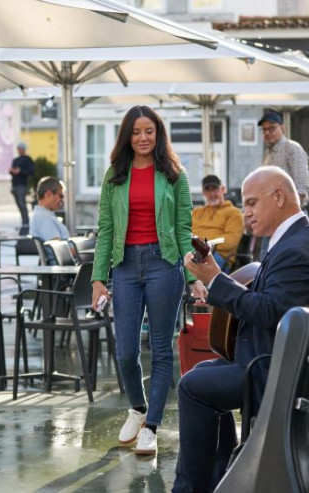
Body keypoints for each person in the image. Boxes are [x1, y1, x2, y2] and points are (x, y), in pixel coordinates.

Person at [173, 166, 309, 492]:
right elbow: (273, 308)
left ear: (278, 197)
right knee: (200, 375)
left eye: (251, 203)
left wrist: (215, 280)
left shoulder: (296, 249)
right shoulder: (298, 237)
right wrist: (217, 279)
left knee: (193, 387)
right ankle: (219, 479)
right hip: (279, 362)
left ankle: (191, 488)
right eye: (244, 204)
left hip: (285, 376)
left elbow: (269, 311)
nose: (246, 212)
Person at [91, 105, 206, 457]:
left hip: (164, 264)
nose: (143, 138)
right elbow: (105, 229)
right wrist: (99, 278)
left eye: (149, 131)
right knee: (125, 351)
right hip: (125, 266)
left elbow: (184, 230)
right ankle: (138, 408)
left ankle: (152, 426)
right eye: (136, 132)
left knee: (160, 349)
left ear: (159, 134)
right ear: (127, 136)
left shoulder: (174, 175)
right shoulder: (115, 175)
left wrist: (193, 276)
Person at [192, 174, 244, 270]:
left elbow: (230, 241)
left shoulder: (234, 213)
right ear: (203, 192)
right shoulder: (196, 212)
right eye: (208, 190)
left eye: (215, 189)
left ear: (223, 189)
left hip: (217, 257)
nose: (212, 194)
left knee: (187, 264)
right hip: (193, 252)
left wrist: (203, 243)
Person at [259, 110, 309, 207]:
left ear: (282, 128)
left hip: (290, 210)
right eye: (264, 130)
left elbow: (301, 188)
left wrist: (290, 210)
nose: (267, 132)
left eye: (272, 128)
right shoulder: (267, 153)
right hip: (273, 210)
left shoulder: (293, 149)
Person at [29, 176, 70, 264]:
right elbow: (59, 249)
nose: (62, 200)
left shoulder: (45, 215)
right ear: (48, 194)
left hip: (65, 264)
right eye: (60, 195)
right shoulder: (43, 217)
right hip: (62, 267)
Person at [9, 141, 35, 230]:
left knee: (22, 204)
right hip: (15, 185)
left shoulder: (27, 159)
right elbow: (12, 171)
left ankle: (26, 222)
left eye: (20, 149)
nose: (19, 150)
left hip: (22, 185)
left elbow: (31, 171)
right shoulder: (15, 160)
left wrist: (21, 171)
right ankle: (23, 221)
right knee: (19, 204)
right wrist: (12, 171)